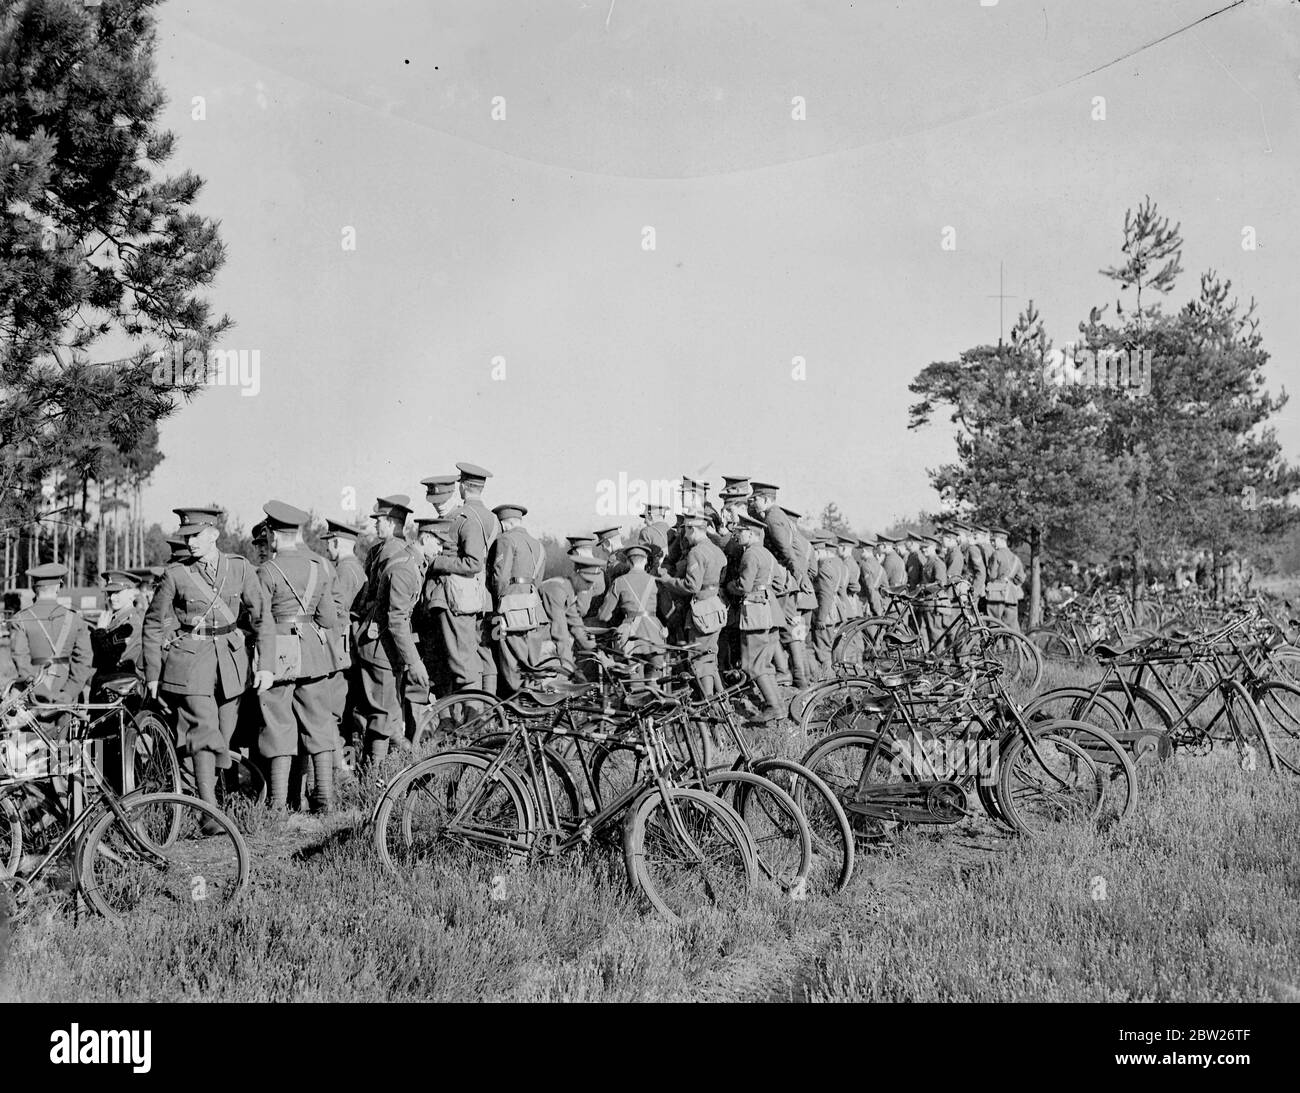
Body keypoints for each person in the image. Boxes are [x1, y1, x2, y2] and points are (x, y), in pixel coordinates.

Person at [141, 507, 275, 820]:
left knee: (224, 734)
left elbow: (261, 617)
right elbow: (152, 623)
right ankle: (209, 812)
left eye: (196, 536)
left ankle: (207, 793)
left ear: (214, 534)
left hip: (230, 661)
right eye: (186, 536)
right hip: (190, 663)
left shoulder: (239, 568)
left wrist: (265, 663)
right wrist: (152, 674)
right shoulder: (176, 575)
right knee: (203, 731)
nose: (190, 542)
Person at [255, 501, 341, 813]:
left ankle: (278, 805)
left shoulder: (267, 571)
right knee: (318, 724)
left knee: (277, 723)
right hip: (313, 654)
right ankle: (325, 799)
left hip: (278, 653)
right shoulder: (319, 568)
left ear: (273, 535)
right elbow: (329, 619)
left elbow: (257, 619)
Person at [352, 495, 427, 765]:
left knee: (383, 712)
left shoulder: (387, 550)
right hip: (381, 642)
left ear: (395, 524)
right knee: (385, 712)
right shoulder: (396, 551)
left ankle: (377, 773)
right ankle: (383, 772)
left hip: (379, 638)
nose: (376, 526)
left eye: (380, 521)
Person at [425, 464, 499, 694]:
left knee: (463, 661)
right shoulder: (492, 518)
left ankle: (476, 717)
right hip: (476, 596)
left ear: (462, 487)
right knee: (473, 655)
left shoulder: (464, 518)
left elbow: (473, 563)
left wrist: (436, 562)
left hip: (459, 596)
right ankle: (476, 712)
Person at [747, 482, 812, 689]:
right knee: (790, 628)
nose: (753, 502)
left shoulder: (773, 519)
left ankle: (792, 676)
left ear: (766, 500)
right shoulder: (778, 516)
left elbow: (787, 551)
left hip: (781, 581)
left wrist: (798, 576)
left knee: (782, 629)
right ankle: (798, 676)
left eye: (756, 499)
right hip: (786, 580)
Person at [9, 563, 95, 718]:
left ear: (35, 588)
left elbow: (20, 658)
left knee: (29, 741)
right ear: (57, 588)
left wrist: (33, 686)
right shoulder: (75, 619)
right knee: (67, 740)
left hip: (33, 697)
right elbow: (84, 660)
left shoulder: (20, 619)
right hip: (66, 695)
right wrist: (69, 692)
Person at [658, 513, 728, 698]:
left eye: (686, 530)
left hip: (701, 612)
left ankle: (707, 702)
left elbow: (691, 586)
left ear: (693, 529)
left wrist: (668, 581)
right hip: (716, 606)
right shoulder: (716, 550)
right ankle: (721, 700)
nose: (685, 536)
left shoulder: (696, 552)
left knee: (699, 660)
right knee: (710, 657)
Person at [725, 513, 783, 721]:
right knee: (765, 664)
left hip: (755, 613)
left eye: (740, 532)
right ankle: (778, 707)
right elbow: (779, 581)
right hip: (770, 610)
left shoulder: (749, 554)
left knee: (752, 665)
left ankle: (773, 706)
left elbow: (744, 586)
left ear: (752, 534)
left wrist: (729, 586)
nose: (737, 535)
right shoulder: (767, 553)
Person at [489, 504, 546, 692]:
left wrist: (497, 600)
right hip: (534, 606)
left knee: (509, 659)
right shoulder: (538, 544)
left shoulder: (505, 540)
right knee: (532, 660)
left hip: (509, 607)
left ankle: (515, 704)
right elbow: (538, 580)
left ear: (504, 524)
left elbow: (500, 577)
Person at [596, 543, 666, 675]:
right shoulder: (656, 581)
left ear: (628, 561)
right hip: (655, 635)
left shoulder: (619, 582)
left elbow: (603, 616)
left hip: (630, 637)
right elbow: (667, 611)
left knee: (634, 683)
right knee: (656, 682)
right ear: (645, 560)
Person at [92, 570, 145, 683]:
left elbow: (113, 659)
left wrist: (100, 632)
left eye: (117, 592)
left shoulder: (131, 623)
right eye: (110, 593)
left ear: (131, 594)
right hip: (108, 683)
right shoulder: (114, 619)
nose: (111, 598)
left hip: (119, 686)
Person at [810, 532, 845, 677]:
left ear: (818, 551)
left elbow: (825, 595)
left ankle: (827, 679)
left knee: (823, 648)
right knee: (832, 646)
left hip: (827, 612)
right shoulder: (833, 564)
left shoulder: (823, 568)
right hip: (834, 610)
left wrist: (820, 619)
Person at [986, 528, 1024, 630]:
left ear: (1001, 540)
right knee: (1011, 627)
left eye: (994, 541)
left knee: (994, 625)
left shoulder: (996, 554)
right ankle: (1012, 646)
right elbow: (1020, 578)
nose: (992, 543)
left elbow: (992, 575)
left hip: (996, 595)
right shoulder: (1016, 558)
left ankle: (998, 646)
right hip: (1011, 596)